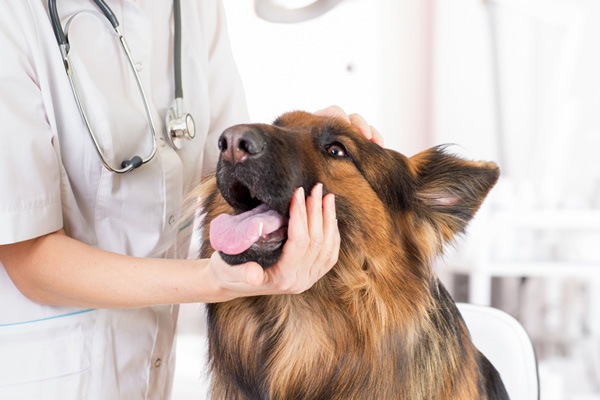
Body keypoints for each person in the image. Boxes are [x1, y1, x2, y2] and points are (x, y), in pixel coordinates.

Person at [0, 1, 383, 399]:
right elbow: (29, 259)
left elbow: (231, 164)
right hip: (47, 376)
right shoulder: (12, 16)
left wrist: (302, 146)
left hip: (152, 371)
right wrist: (212, 281)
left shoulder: (196, 8)